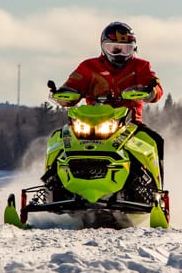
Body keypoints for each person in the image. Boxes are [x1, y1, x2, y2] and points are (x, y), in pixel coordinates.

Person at [58, 21, 166, 171]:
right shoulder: (88, 67)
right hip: (91, 122)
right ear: (103, 47)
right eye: (114, 49)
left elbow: (155, 85)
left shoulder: (141, 66)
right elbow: (72, 85)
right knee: (59, 139)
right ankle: (52, 182)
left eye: (126, 49)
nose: (120, 54)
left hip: (130, 123)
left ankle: (155, 189)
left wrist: (150, 92)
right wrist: (64, 95)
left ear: (134, 49)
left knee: (155, 140)